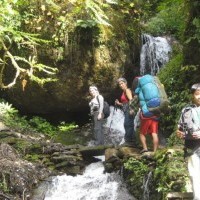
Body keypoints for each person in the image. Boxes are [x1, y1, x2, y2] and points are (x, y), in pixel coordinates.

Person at [177, 83, 200, 200]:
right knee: (195, 177)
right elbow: (180, 129)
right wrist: (180, 133)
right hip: (192, 150)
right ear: (192, 95)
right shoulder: (186, 110)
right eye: (197, 94)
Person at [115, 77, 136, 147]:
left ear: (125, 83)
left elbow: (131, 100)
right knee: (129, 124)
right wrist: (119, 103)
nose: (121, 85)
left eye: (122, 83)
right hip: (126, 109)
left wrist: (132, 109)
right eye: (119, 84)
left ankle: (128, 141)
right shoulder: (123, 92)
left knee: (127, 124)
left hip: (129, 109)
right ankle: (133, 141)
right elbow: (125, 103)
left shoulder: (127, 90)